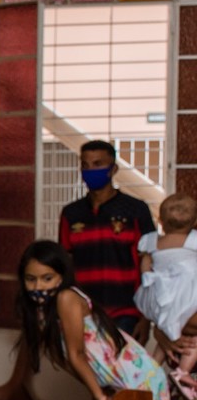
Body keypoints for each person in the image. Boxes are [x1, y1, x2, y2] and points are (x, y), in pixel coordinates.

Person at [16, 239, 184, 400]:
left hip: (140, 379)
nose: (38, 286)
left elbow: (77, 354)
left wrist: (98, 397)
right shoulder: (42, 313)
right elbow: (66, 359)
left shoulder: (66, 298)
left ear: (61, 277)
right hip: (121, 383)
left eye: (47, 278)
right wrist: (100, 392)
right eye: (31, 279)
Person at [59, 139, 155, 341]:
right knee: (86, 371)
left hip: (126, 313)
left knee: (124, 371)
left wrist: (146, 318)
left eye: (97, 164)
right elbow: (64, 264)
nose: (90, 170)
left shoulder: (136, 210)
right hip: (83, 313)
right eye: (85, 165)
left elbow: (150, 265)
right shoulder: (71, 213)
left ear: (113, 169)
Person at [134, 193, 197, 386]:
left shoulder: (152, 243)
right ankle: (182, 371)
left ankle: (152, 371)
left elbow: (145, 264)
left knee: (171, 330)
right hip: (185, 297)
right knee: (185, 339)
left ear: (160, 221)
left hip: (161, 294)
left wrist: (149, 279)